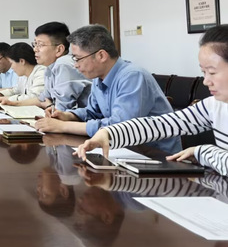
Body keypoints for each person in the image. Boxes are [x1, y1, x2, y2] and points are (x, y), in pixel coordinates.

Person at [76, 24, 228, 174]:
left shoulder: (132, 74)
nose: (206, 81)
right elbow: (162, 124)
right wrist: (109, 133)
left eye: (212, 72)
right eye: (203, 72)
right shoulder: (213, 106)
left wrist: (202, 151)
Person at [36, 25, 179, 153]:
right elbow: (93, 112)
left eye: (78, 58)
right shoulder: (99, 78)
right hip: (123, 150)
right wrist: (68, 116)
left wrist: (62, 126)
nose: (75, 65)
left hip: (157, 156)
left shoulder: (133, 76)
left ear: (101, 55)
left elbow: (119, 127)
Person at [3, 22, 91, 111]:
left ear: (59, 49)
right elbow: (42, 99)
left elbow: (62, 109)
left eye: (40, 45)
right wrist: (13, 103)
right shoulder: (50, 68)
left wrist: (49, 106)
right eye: (35, 44)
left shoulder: (63, 64)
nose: (35, 49)